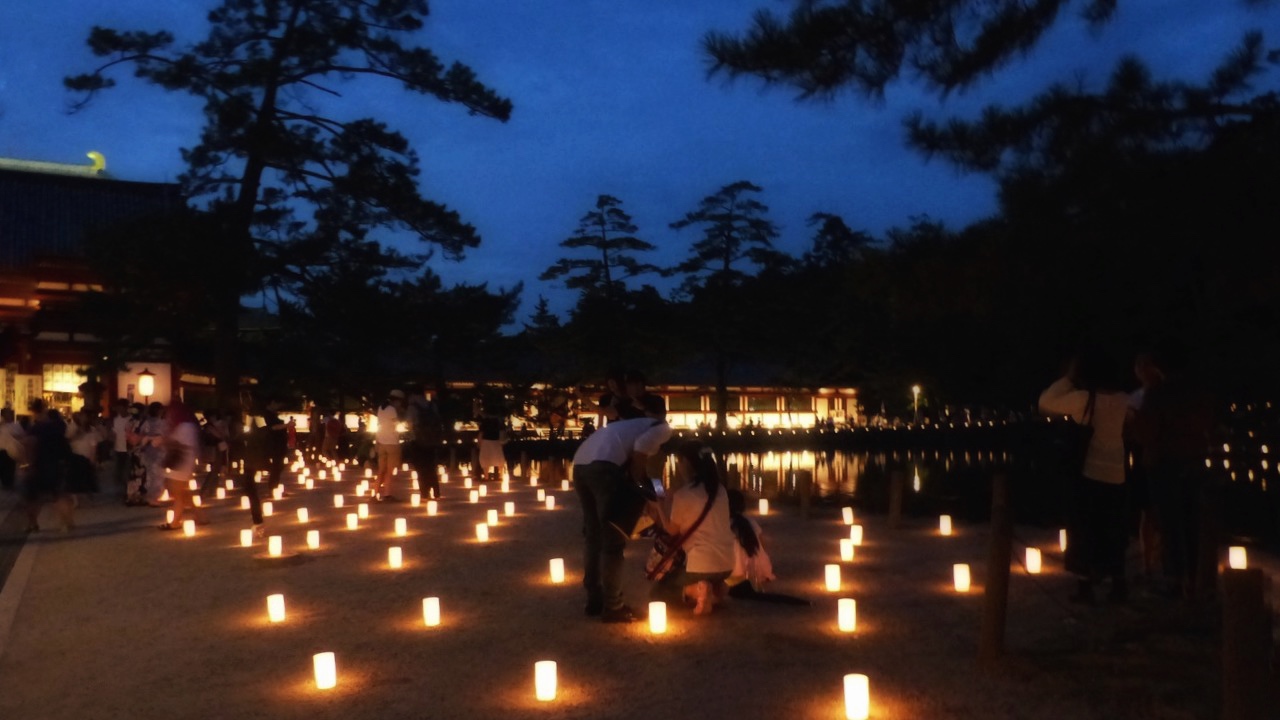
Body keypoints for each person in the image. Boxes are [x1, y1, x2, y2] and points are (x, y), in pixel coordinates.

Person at [1039, 349, 1131, 603]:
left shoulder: (1083, 398)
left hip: (1088, 471)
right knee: (1113, 529)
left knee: (1084, 530)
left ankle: (1085, 585)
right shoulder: (1124, 399)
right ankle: (1118, 583)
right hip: (1117, 472)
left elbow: (1045, 402)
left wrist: (1068, 378)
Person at [572, 393, 672, 623]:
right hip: (605, 469)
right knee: (613, 541)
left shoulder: (626, 425)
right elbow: (640, 462)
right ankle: (613, 606)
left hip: (580, 466)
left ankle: (594, 599)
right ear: (663, 412)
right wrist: (650, 496)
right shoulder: (662, 427)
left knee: (593, 535)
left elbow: (645, 468)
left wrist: (651, 491)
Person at [1132, 341, 1216, 601]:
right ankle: (1194, 578)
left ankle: (1175, 580)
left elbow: (1146, 431)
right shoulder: (1198, 393)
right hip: (1193, 462)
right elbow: (1208, 425)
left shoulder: (1159, 394)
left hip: (1164, 463)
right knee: (1191, 521)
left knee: (1170, 523)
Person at [649, 441, 737, 615]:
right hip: (727, 565)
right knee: (709, 576)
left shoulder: (684, 494)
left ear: (687, 463)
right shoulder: (720, 490)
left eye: (679, 462)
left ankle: (697, 590)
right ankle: (717, 589)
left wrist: (658, 505)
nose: (679, 467)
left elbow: (671, 530)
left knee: (658, 593)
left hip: (700, 565)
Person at [21, 399, 73, 532]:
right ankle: (66, 523)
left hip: (39, 464)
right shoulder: (58, 426)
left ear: (33, 410)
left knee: (32, 498)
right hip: (57, 464)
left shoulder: (36, 428)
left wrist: (28, 464)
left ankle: (32, 524)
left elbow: (30, 445)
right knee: (59, 495)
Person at [158, 400, 203, 530]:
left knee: (177, 492)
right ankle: (200, 516)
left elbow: (181, 443)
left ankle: (175, 522)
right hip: (181, 460)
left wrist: (167, 441)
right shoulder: (187, 425)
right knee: (182, 492)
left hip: (181, 461)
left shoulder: (185, 426)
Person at [374, 389, 406, 501]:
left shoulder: (380, 408)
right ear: (397, 401)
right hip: (392, 442)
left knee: (381, 470)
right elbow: (397, 424)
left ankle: (375, 494)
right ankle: (387, 494)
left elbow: (379, 425)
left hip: (381, 442)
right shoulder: (392, 409)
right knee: (389, 470)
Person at [109, 399, 132, 498]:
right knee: (118, 471)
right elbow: (114, 434)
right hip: (119, 449)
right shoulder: (116, 420)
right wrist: (112, 447)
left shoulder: (131, 419)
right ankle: (121, 491)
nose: (119, 409)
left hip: (129, 449)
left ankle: (128, 491)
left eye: (121, 407)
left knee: (128, 471)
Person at [476, 405, 507, 479]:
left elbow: (481, 433)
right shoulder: (498, 422)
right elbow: (502, 432)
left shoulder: (486, 422)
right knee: (498, 459)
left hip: (487, 441)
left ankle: (487, 476)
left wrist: (479, 442)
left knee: (486, 459)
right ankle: (500, 475)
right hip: (495, 442)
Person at [0, 407, 25, 491]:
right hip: (3, 451)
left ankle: (8, 485)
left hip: (10, 451)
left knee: (9, 470)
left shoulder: (15, 426)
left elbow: (21, 436)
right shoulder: (3, 426)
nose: (10, 415)